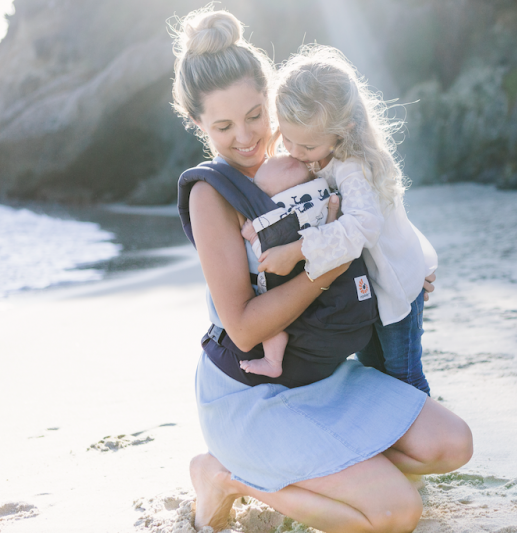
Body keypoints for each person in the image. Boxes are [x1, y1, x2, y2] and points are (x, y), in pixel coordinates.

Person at [171, 7, 473, 533]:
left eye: (254, 115)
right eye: (222, 126)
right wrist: (324, 271)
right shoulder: (210, 195)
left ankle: (304, 474)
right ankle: (229, 476)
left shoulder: (306, 151)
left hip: (319, 372)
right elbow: (243, 327)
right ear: (197, 124)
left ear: (272, 102)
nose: (246, 138)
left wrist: (410, 266)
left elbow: (373, 212)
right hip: (251, 394)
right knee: (395, 513)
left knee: (453, 444)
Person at [257, 44, 438, 395]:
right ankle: (394, 438)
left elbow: (366, 225)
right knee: (372, 369)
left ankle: (427, 442)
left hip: (393, 285)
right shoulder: (312, 155)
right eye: (287, 138)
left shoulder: (351, 166)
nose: (294, 152)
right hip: (363, 288)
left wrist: (298, 250)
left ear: (344, 130)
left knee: (402, 373)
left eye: (307, 146)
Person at [238, 154, 341, 378]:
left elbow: (266, 256)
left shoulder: (278, 223)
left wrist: (252, 236)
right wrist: (333, 209)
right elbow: (335, 232)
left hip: (291, 293)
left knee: (271, 326)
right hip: (333, 291)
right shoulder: (321, 201)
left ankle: (272, 361)